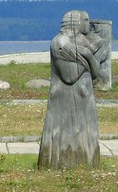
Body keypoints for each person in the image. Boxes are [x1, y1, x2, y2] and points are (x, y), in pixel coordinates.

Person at [38, 10, 100, 169]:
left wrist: (87, 56)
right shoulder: (60, 43)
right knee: (64, 142)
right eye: (86, 20)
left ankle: (86, 163)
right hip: (65, 106)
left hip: (83, 104)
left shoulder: (80, 43)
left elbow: (97, 73)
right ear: (75, 22)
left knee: (84, 139)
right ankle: (61, 163)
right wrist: (88, 55)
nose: (89, 24)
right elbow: (70, 76)